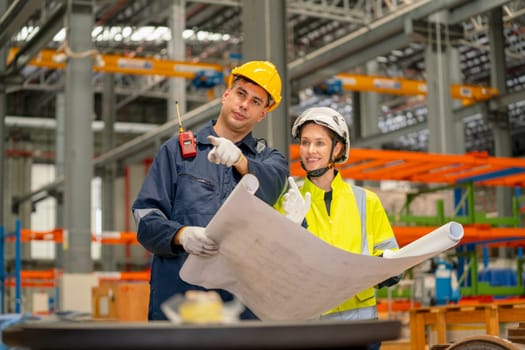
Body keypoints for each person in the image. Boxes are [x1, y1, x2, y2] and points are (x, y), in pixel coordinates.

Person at [132, 60, 288, 321]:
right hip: (178, 304)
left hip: (242, 308)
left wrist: (240, 161)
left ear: (262, 114)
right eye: (240, 94)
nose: (244, 105)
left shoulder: (270, 161)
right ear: (226, 95)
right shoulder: (178, 152)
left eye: (256, 102)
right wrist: (181, 235)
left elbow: (274, 185)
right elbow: (145, 219)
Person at [282, 106, 400, 350]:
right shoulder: (287, 201)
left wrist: (389, 266)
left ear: (337, 148)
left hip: (361, 327)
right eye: (305, 143)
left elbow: (391, 257)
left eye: (319, 143)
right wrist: (287, 227)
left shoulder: (367, 201)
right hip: (311, 326)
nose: (310, 151)